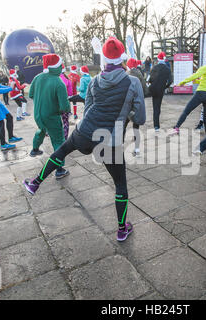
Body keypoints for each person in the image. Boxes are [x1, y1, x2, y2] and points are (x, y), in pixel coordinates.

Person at [23, 37, 146, 242]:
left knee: (61, 150)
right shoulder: (132, 82)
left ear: (103, 59)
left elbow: (88, 108)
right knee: (120, 185)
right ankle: (122, 229)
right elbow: (140, 118)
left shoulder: (95, 80)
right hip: (110, 141)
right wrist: (127, 113)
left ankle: (35, 182)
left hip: (85, 131)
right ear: (122, 57)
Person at [29, 54, 70, 179]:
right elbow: (65, 107)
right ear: (57, 66)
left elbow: (31, 94)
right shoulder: (59, 82)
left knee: (41, 130)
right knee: (58, 140)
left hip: (38, 114)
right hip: (52, 116)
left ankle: (35, 149)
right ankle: (59, 169)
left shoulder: (37, 77)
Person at [171, 47, 206, 137]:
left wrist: (182, 82)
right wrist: (197, 81)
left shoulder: (205, 67)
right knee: (205, 119)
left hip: (201, 93)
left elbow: (195, 76)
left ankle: (177, 127)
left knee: (187, 110)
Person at [127, 58, 147, 157]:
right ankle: (137, 149)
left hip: (129, 107)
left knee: (122, 126)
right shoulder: (140, 74)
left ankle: (120, 146)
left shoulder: (129, 75)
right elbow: (145, 89)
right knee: (136, 128)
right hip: (139, 105)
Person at [148, 52, 172, 132]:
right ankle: (157, 126)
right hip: (161, 89)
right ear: (164, 59)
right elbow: (170, 81)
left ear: (158, 59)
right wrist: (165, 86)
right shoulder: (167, 69)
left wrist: (152, 83)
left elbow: (150, 79)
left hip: (153, 89)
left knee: (155, 107)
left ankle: (156, 126)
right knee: (158, 106)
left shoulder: (154, 67)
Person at [60, 64, 74, 139]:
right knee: (65, 121)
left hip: (54, 105)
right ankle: (65, 137)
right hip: (65, 104)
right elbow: (70, 93)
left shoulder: (54, 78)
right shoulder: (67, 79)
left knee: (56, 121)